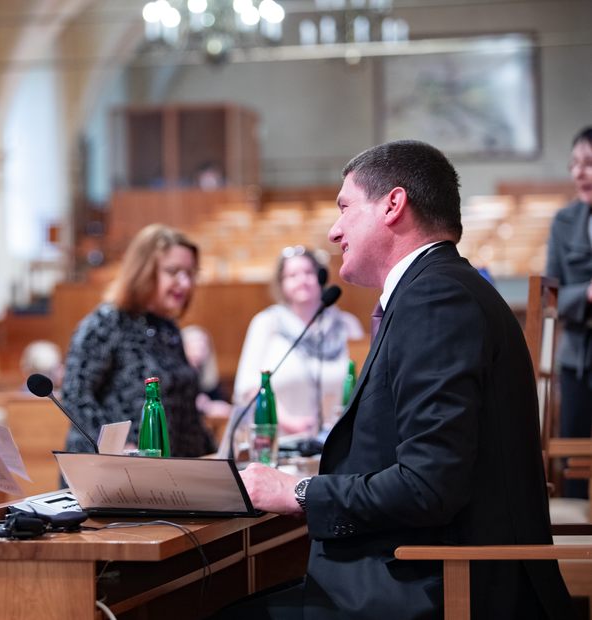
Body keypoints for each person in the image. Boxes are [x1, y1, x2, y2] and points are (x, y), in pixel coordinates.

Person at [223, 140, 571, 619]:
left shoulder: (435, 300)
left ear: (393, 204)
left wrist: (297, 492)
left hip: (441, 586)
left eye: (345, 207)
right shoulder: (439, 289)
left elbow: (428, 485)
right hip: (426, 566)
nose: (334, 231)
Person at [61, 224, 214, 456]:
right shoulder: (107, 322)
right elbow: (76, 396)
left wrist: (216, 458)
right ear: (144, 271)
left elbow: (185, 412)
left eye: (190, 273)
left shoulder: (169, 329)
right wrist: (117, 448)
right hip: (110, 473)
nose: (185, 283)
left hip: (162, 473)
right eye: (173, 272)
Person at [233, 247, 363, 437]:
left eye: (308, 273)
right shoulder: (267, 322)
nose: (302, 280)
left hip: (339, 439)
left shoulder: (347, 324)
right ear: (281, 284)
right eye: (292, 275)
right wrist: (288, 422)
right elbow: (247, 386)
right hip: (282, 439)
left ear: (321, 277)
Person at [546, 125, 592, 499]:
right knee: (575, 462)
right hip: (578, 361)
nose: (579, 173)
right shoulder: (564, 222)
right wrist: (587, 295)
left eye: (589, 164)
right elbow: (552, 298)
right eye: (575, 164)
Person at [181, 325, 233, 422]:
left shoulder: (206, 375)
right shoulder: (177, 376)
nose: (201, 347)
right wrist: (206, 406)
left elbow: (218, 399)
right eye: (194, 343)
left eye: (204, 343)